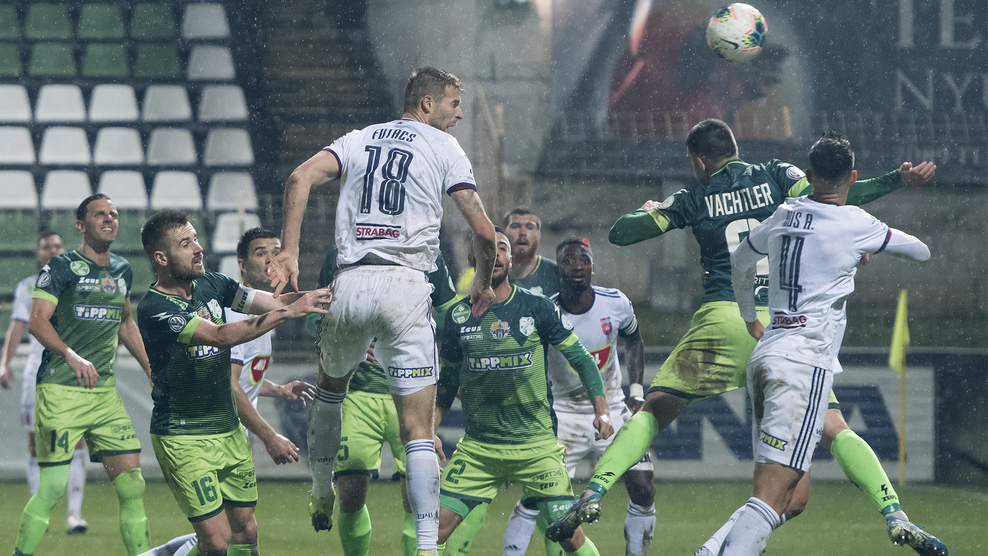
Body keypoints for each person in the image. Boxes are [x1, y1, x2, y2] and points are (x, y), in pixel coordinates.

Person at [546, 119, 940, 548]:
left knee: (653, 411)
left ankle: (596, 490)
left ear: (699, 162)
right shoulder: (778, 175)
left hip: (723, 318)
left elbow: (621, 233)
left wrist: (651, 210)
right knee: (832, 431)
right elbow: (836, 194)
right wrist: (895, 180)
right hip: (783, 328)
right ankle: (892, 511)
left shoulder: (693, 196)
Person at [267, 66, 498, 556]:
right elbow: (482, 229)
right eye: (454, 104)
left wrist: (288, 251)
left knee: (330, 394)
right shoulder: (444, 147)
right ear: (427, 104)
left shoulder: (359, 139)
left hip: (350, 281)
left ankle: (321, 489)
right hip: (406, 285)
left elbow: (298, 177)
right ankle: (428, 548)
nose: (459, 114)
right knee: (419, 431)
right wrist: (482, 280)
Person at [711, 132, 939, 555]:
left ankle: (709, 551)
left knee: (790, 497)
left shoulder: (784, 213)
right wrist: (863, 248)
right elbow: (922, 252)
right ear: (852, 176)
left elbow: (740, 260)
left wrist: (748, 316)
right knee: (770, 496)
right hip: (805, 361)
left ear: (809, 174)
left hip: (767, 354)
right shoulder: (856, 223)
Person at [137, 211, 332, 556]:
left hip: (229, 431)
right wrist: (287, 312)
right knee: (216, 540)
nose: (198, 248)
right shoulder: (155, 307)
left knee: (246, 531)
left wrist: (319, 296)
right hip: (184, 436)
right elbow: (220, 336)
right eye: (186, 244)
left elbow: (273, 303)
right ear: (161, 258)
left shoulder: (214, 284)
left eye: (196, 239)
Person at [434, 229, 614, 556]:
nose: (495, 255)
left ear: (510, 259)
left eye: (501, 248)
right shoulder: (457, 318)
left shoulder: (537, 307)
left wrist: (601, 410)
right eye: (486, 248)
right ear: (473, 258)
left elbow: (583, 359)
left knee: (568, 535)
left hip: (537, 447)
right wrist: (428, 431)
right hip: (479, 450)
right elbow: (447, 382)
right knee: (432, 530)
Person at [13, 195, 153, 556]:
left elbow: (125, 321)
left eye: (113, 214)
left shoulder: (122, 269)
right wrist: (69, 354)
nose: (109, 219)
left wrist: (151, 369)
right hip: (61, 389)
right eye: (99, 214)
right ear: (81, 225)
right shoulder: (60, 267)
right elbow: (36, 321)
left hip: (104, 394)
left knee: (132, 485)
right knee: (52, 488)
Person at [303, 245, 459, 556]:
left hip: (410, 392)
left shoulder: (426, 251)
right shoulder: (341, 253)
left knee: (416, 496)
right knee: (350, 493)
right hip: (358, 395)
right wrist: (350, 335)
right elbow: (311, 318)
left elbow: (452, 316)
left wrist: (409, 324)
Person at [503, 237, 655, 556]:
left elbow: (634, 338)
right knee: (536, 497)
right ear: (557, 270)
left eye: (584, 259)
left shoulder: (616, 302)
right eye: (569, 261)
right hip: (563, 414)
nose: (577, 266)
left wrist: (636, 390)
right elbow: (526, 363)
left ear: (593, 268)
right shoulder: (545, 310)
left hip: (612, 408)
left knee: (643, 487)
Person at [1, 231, 91, 535]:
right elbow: (17, 327)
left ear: (64, 250)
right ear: (38, 254)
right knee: (35, 444)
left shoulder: (77, 285)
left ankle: (74, 515)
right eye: (46, 246)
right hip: (37, 372)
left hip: (70, 371)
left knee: (76, 439)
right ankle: (39, 513)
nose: (52, 250)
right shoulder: (28, 287)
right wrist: (4, 363)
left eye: (57, 245)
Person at [458, 208, 559, 299]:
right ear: (504, 233)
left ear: (539, 234)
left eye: (529, 227)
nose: (523, 233)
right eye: (515, 226)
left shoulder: (555, 273)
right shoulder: (488, 275)